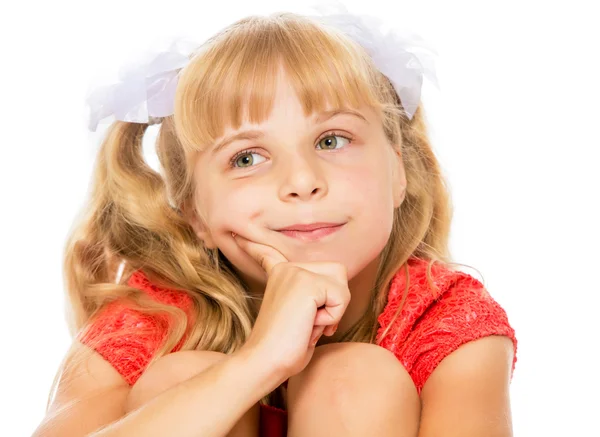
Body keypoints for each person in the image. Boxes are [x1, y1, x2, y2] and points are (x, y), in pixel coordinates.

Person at [32, 7, 517, 437]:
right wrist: (258, 363)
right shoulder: (153, 314)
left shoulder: (448, 317)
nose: (302, 181)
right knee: (181, 379)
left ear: (399, 172)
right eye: (247, 158)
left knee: (353, 378)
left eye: (332, 140)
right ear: (193, 211)